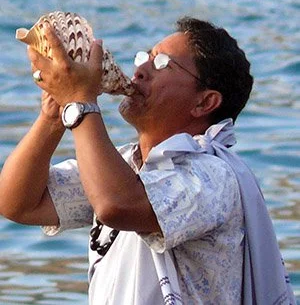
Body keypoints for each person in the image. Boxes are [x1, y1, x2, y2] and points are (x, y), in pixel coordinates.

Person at [0, 17, 296, 304]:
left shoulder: (215, 176)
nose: (140, 70)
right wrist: (52, 116)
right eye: (146, 57)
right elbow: (19, 203)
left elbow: (116, 205)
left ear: (204, 102)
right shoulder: (126, 165)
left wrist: (80, 103)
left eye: (162, 64)